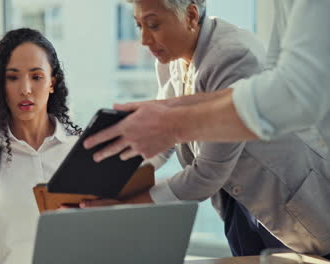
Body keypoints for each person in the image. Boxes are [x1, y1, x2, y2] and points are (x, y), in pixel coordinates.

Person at [80, 0, 330, 258]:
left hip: (288, 197)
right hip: (239, 204)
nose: (144, 39)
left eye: (153, 25)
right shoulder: (169, 57)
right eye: (138, 25)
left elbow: (207, 173)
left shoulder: (233, 54)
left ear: (190, 15)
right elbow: (163, 142)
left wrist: (124, 205)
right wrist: (111, 179)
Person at [0, 28, 81, 264]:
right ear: (0, 85)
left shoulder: (78, 150)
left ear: (52, 82)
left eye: (36, 76)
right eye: (13, 77)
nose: (25, 89)